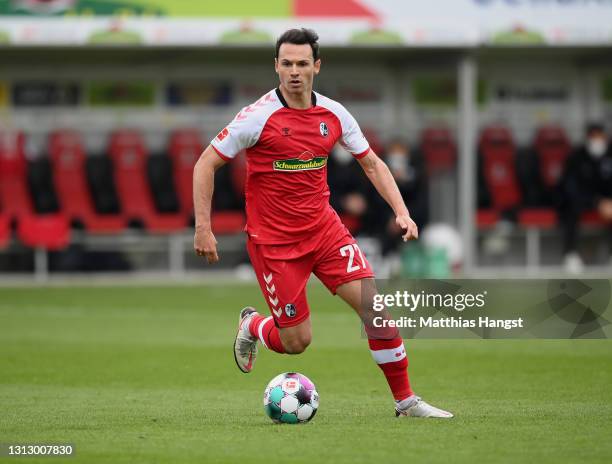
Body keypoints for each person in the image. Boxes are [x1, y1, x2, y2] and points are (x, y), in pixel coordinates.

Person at [193, 28, 452, 418]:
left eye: (301, 63)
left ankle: (406, 401)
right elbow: (205, 164)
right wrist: (203, 226)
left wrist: (401, 211)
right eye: (286, 64)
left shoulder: (333, 113)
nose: (294, 72)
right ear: (276, 67)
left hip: (325, 231)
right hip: (275, 244)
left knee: (375, 309)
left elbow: (372, 163)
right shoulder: (256, 117)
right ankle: (253, 326)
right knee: (297, 341)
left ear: (316, 66)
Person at [557, 123, 612, 274]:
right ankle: (571, 254)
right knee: (569, 209)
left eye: (599, 136)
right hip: (582, 201)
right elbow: (570, 187)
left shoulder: (610, 155)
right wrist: (596, 202)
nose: (597, 140)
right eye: (593, 137)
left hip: (608, 203)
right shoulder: (576, 156)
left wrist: (608, 202)